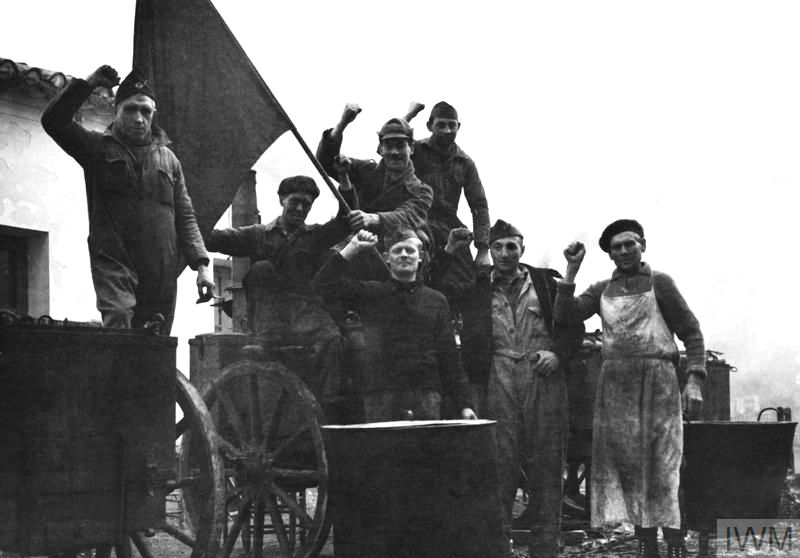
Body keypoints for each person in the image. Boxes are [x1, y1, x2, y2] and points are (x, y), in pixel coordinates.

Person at [555, 219, 705, 558]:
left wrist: (694, 378)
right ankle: (646, 541)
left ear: (643, 246)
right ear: (609, 254)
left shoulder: (660, 283)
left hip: (659, 382)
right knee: (630, 465)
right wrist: (570, 271)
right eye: (616, 247)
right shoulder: (601, 289)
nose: (623, 251)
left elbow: (691, 332)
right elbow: (565, 317)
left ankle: (676, 543)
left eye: (630, 244)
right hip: (616, 387)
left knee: (665, 465)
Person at [435, 221, 584, 558]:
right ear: (489, 251)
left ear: (522, 249)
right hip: (498, 375)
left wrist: (558, 354)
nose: (504, 254)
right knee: (499, 464)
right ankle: (498, 548)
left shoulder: (547, 282)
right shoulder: (477, 288)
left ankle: (545, 547)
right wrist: (449, 251)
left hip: (543, 376)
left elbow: (574, 325)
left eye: (511, 247)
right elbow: (437, 293)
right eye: (498, 247)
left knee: (547, 463)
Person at [41, 65, 214, 334]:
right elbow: (53, 122)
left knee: (157, 344)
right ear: (116, 111)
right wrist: (88, 84)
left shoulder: (169, 160)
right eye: (130, 109)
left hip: (161, 269)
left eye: (145, 111)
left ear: (153, 115)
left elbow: (186, 216)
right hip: (115, 262)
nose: (138, 118)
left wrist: (202, 266)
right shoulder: (96, 148)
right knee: (120, 328)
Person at [205, 175, 351, 415]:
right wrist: (190, 222)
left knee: (332, 339)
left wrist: (344, 184)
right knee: (261, 269)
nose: (301, 208)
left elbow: (344, 222)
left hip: (304, 313)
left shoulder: (315, 236)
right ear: (282, 199)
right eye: (295, 201)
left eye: (307, 204)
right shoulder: (257, 234)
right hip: (269, 317)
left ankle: (328, 409)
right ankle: (266, 342)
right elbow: (218, 239)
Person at [312, 227, 476, 422]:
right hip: (381, 396)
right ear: (387, 257)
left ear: (421, 256)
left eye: (410, 250)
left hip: (425, 396)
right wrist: (353, 248)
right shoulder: (372, 294)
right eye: (397, 251)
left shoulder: (436, 301)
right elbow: (322, 285)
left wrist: (465, 405)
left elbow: (449, 358)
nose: (404, 255)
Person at [316, 105, 434, 242]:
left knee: (419, 238)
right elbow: (325, 162)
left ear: (411, 148)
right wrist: (342, 124)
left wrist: (373, 218)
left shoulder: (422, 191)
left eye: (400, 146)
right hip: (355, 242)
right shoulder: (365, 170)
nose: (395, 152)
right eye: (389, 146)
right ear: (380, 149)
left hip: (393, 251)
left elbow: (407, 216)